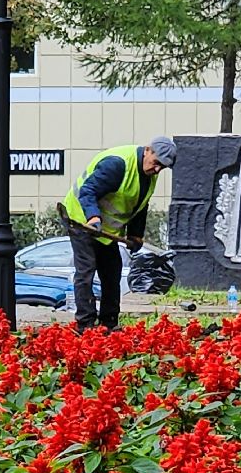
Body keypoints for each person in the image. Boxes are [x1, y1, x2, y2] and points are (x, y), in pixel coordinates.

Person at [60, 137, 177, 331]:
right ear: (147, 150)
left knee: (112, 271)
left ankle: (109, 323)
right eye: (157, 163)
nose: (157, 170)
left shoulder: (149, 176)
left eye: (162, 168)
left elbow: (140, 206)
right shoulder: (117, 165)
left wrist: (135, 236)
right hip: (81, 221)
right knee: (86, 270)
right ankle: (85, 324)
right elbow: (87, 191)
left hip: (105, 231)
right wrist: (93, 217)